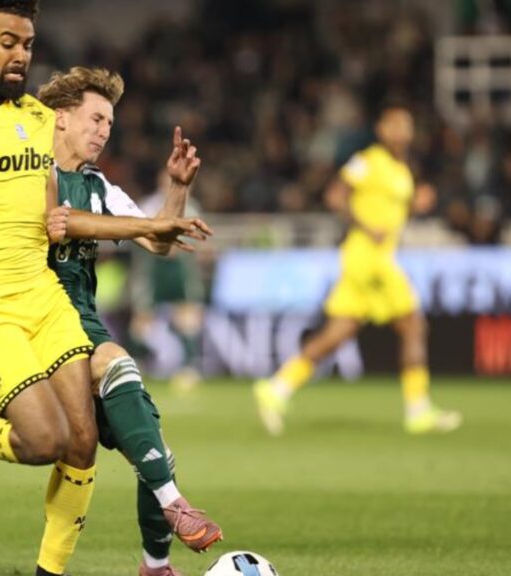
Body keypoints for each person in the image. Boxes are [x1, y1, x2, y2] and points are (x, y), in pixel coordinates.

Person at [0, 3, 202, 574]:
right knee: (45, 439)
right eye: (8, 42)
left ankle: (52, 571)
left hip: (44, 297)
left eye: (27, 44)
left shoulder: (36, 118)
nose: (21, 54)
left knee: (81, 441)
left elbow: (57, 211)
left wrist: (152, 205)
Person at [39, 67, 223, 576]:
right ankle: (175, 504)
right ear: (61, 118)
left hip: (83, 320)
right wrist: (148, 222)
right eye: (96, 119)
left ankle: (155, 566)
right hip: (36, 315)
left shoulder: (97, 185)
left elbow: (158, 242)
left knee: (155, 452)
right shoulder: (29, 172)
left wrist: (177, 189)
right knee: (119, 366)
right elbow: (61, 225)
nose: (104, 131)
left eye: (110, 124)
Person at [253, 104, 462, 436]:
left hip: (369, 259)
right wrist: (366, 226)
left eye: (406, 125)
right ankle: (418, 410)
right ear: (381, 130)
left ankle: (277, 387)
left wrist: (414, 205)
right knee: (413, 325)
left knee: (338, 333)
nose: (401, 131)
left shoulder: (401, 169)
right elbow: (336, 196)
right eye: (394, 124)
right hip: (369, 258)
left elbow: (392, 210)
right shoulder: (368, 161)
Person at [129, 168, 208, 393]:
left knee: (187, 315)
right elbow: (138, 233)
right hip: (153, 268)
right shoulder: (149, 205)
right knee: (143, 317)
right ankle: (136, 365)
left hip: (181, 268)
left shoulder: (191, 207)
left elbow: (199, 239)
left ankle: (189, 368)